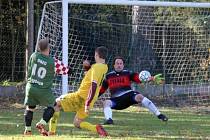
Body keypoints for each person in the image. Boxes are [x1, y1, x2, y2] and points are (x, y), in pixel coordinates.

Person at [48, 46, 109, 137]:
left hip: (81, 97)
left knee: (56, 103)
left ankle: (51, 132)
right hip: (90, 100)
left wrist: (87, 102)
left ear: (96, 55)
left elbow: (94, 84)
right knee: (77, 123)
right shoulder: (104, 67)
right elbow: (91, 77)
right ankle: (96, 128)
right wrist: (87, 68)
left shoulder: (96, 67)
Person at [99, 56, 168, 125]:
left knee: (140, 97)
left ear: (123, 65)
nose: (119, 65)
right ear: (114, 65)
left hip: (129, 96)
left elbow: (138, 78)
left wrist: (150, 78)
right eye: (117, 63)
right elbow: (101, 90)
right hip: (116, 100)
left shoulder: (127, 73)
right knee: (106, 102)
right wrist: (92, 97)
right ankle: (109, 120)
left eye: (121, 64)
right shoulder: (108, 76)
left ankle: (159, 115)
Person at [24, 38, 69, 135]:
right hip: (43, 90)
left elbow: (30, 68)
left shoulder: (33, 56)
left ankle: (27, 130)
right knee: (54, 106)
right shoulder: (54, 62)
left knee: (30, 108)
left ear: (39, 48)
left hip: (31, 87)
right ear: (48, 48)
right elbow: (67, 71)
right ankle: (41, 123)